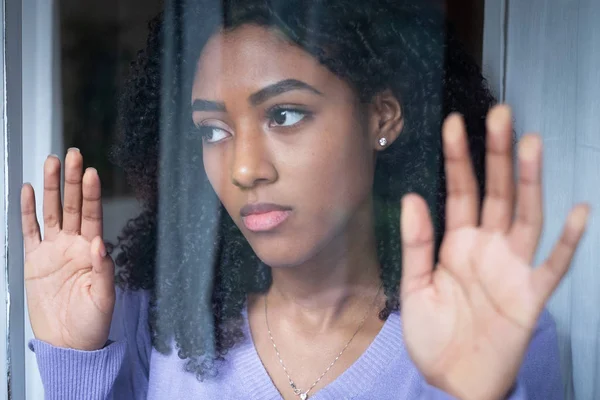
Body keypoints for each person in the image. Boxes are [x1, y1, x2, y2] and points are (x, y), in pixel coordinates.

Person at [20, 0, 589, 399]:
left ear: (381, 116)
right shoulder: (164, 322)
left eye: (285, 114)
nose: (244, 169)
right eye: (213, 131)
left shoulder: (491, 331)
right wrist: (72, 362)